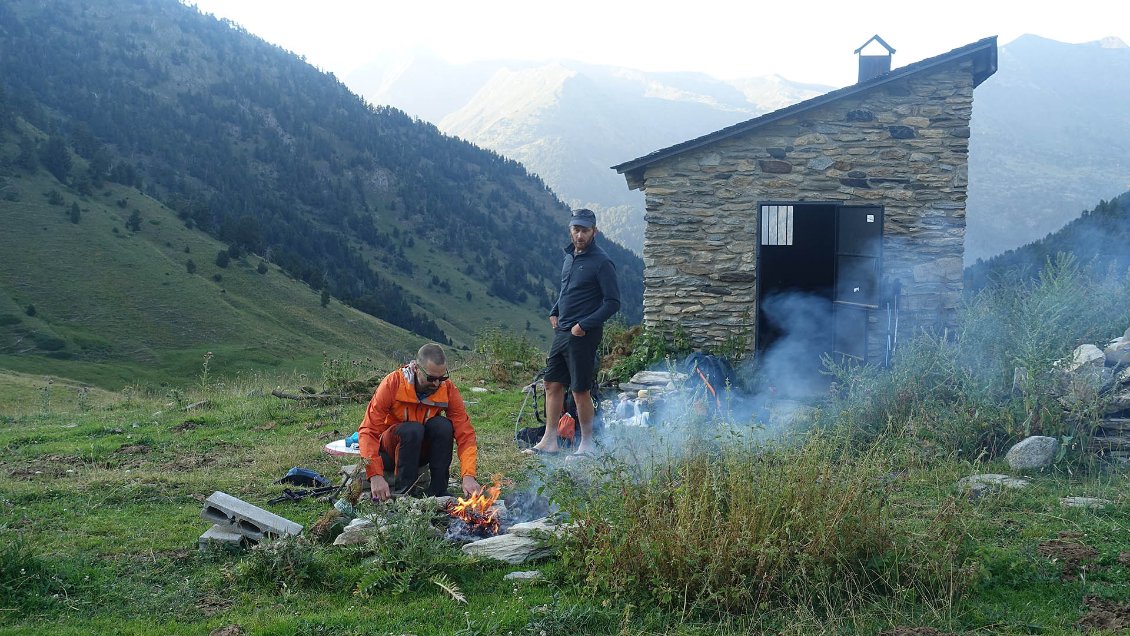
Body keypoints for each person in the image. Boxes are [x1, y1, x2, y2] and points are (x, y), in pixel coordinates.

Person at [523, 208, 620, 459]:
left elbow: (612, 302)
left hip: (583, 334)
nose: (579, 235)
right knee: (551, 383)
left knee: (579, 389)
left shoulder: (602, 262)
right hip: (562, 330)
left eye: (585, 230)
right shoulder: (570, 257)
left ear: (594, 232)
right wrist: (555, 309)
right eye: (576, 230)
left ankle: (586, 445)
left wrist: (585, 325)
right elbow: (566, 289)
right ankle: (549, 440)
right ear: (570, 230)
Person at [358, 343, 481, 501]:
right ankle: (404, 496)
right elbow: (368, 430)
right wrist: (374, 474)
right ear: (416, 368)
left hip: (421, 452)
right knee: (412, 429)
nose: (437, 384)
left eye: (442, 378)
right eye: (431, 378)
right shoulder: (393, 383)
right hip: (390, 452)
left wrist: (468, 475)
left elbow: (465, 434)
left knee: (443, 426)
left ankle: (439, 493)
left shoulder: (446, 389)